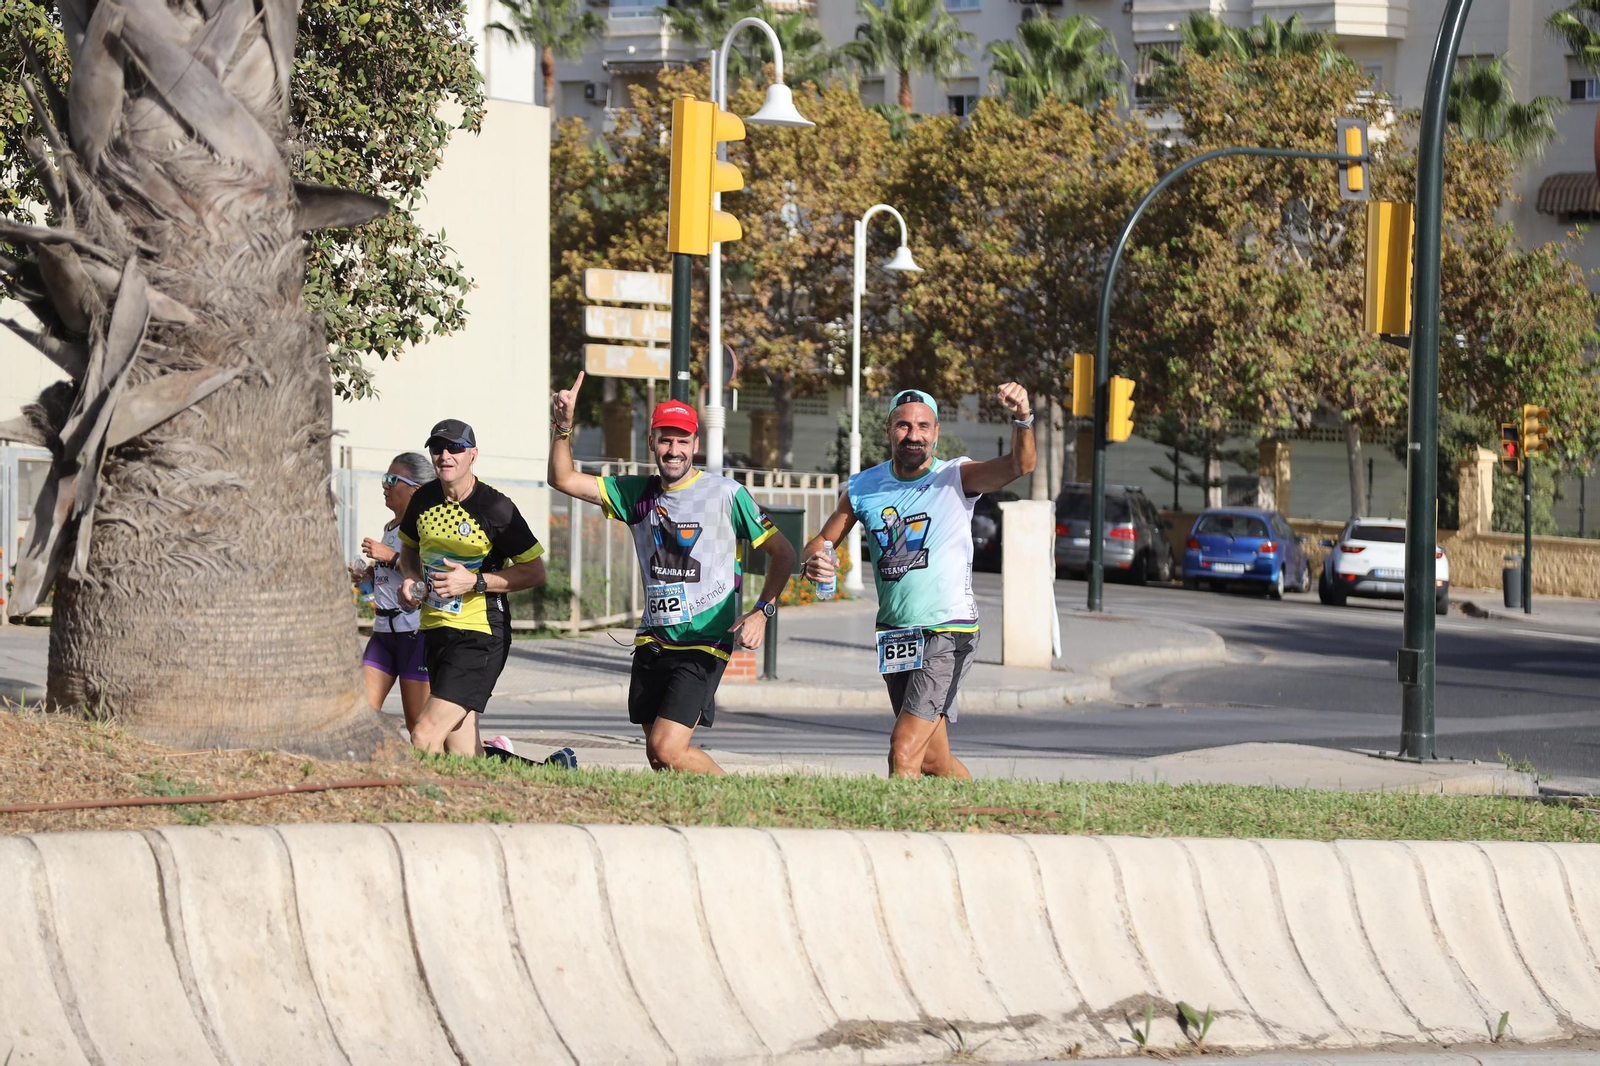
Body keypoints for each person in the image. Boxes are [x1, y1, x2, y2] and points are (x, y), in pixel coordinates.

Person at [546, 373, 795, 774]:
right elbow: (562, 479)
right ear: (652, 443)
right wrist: (562, 426)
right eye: (665, 439)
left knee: (667, 748)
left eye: (682, 440)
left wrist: (762, 611)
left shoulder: (726, 494)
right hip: (654, 640)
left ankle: (738, 800)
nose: (673, 449)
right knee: (658, 756)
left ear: (696, 445)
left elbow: (783, 553)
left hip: (704, 641)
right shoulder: (635, 493)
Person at [801, 384, 1036, 779]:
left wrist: (1022, 418)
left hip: (948, 630)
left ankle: (897, 835)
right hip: (895, 634)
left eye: (923, 427)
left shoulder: (956, 477)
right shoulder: (862, 487)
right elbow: (822, 541)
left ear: (936, 432)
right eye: (904, 426)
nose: (914, 435)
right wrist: (815, 561)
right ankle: (985, 820)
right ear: (889, 429)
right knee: (931, 759)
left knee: (904, 749)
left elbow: (1019, 465)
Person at [396, 419, 546, 755]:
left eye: (455, 448)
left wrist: (475, 581)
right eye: (438, 448)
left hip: (479, 634)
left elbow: (535, 572)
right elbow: (408, 548)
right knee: (463, 754)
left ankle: (426, 805)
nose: (445, 455)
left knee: (423, 735)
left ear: (472, 455)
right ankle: (547, 774)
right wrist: (410, 578)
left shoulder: (496, 508)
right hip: (435, 629)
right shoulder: (423, 500)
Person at [350, 452, 435, 732]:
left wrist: (389, 556)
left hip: (414, 635)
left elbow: (429, 578)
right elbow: (387, 581)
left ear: (416, 490)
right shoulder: (390, 528)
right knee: (360, 714)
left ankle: (489, 751)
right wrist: (367, 576)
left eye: (391, 479)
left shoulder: (427, 528)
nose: (384, 486)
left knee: (418, 726)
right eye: (384, 479)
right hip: (383, 633)